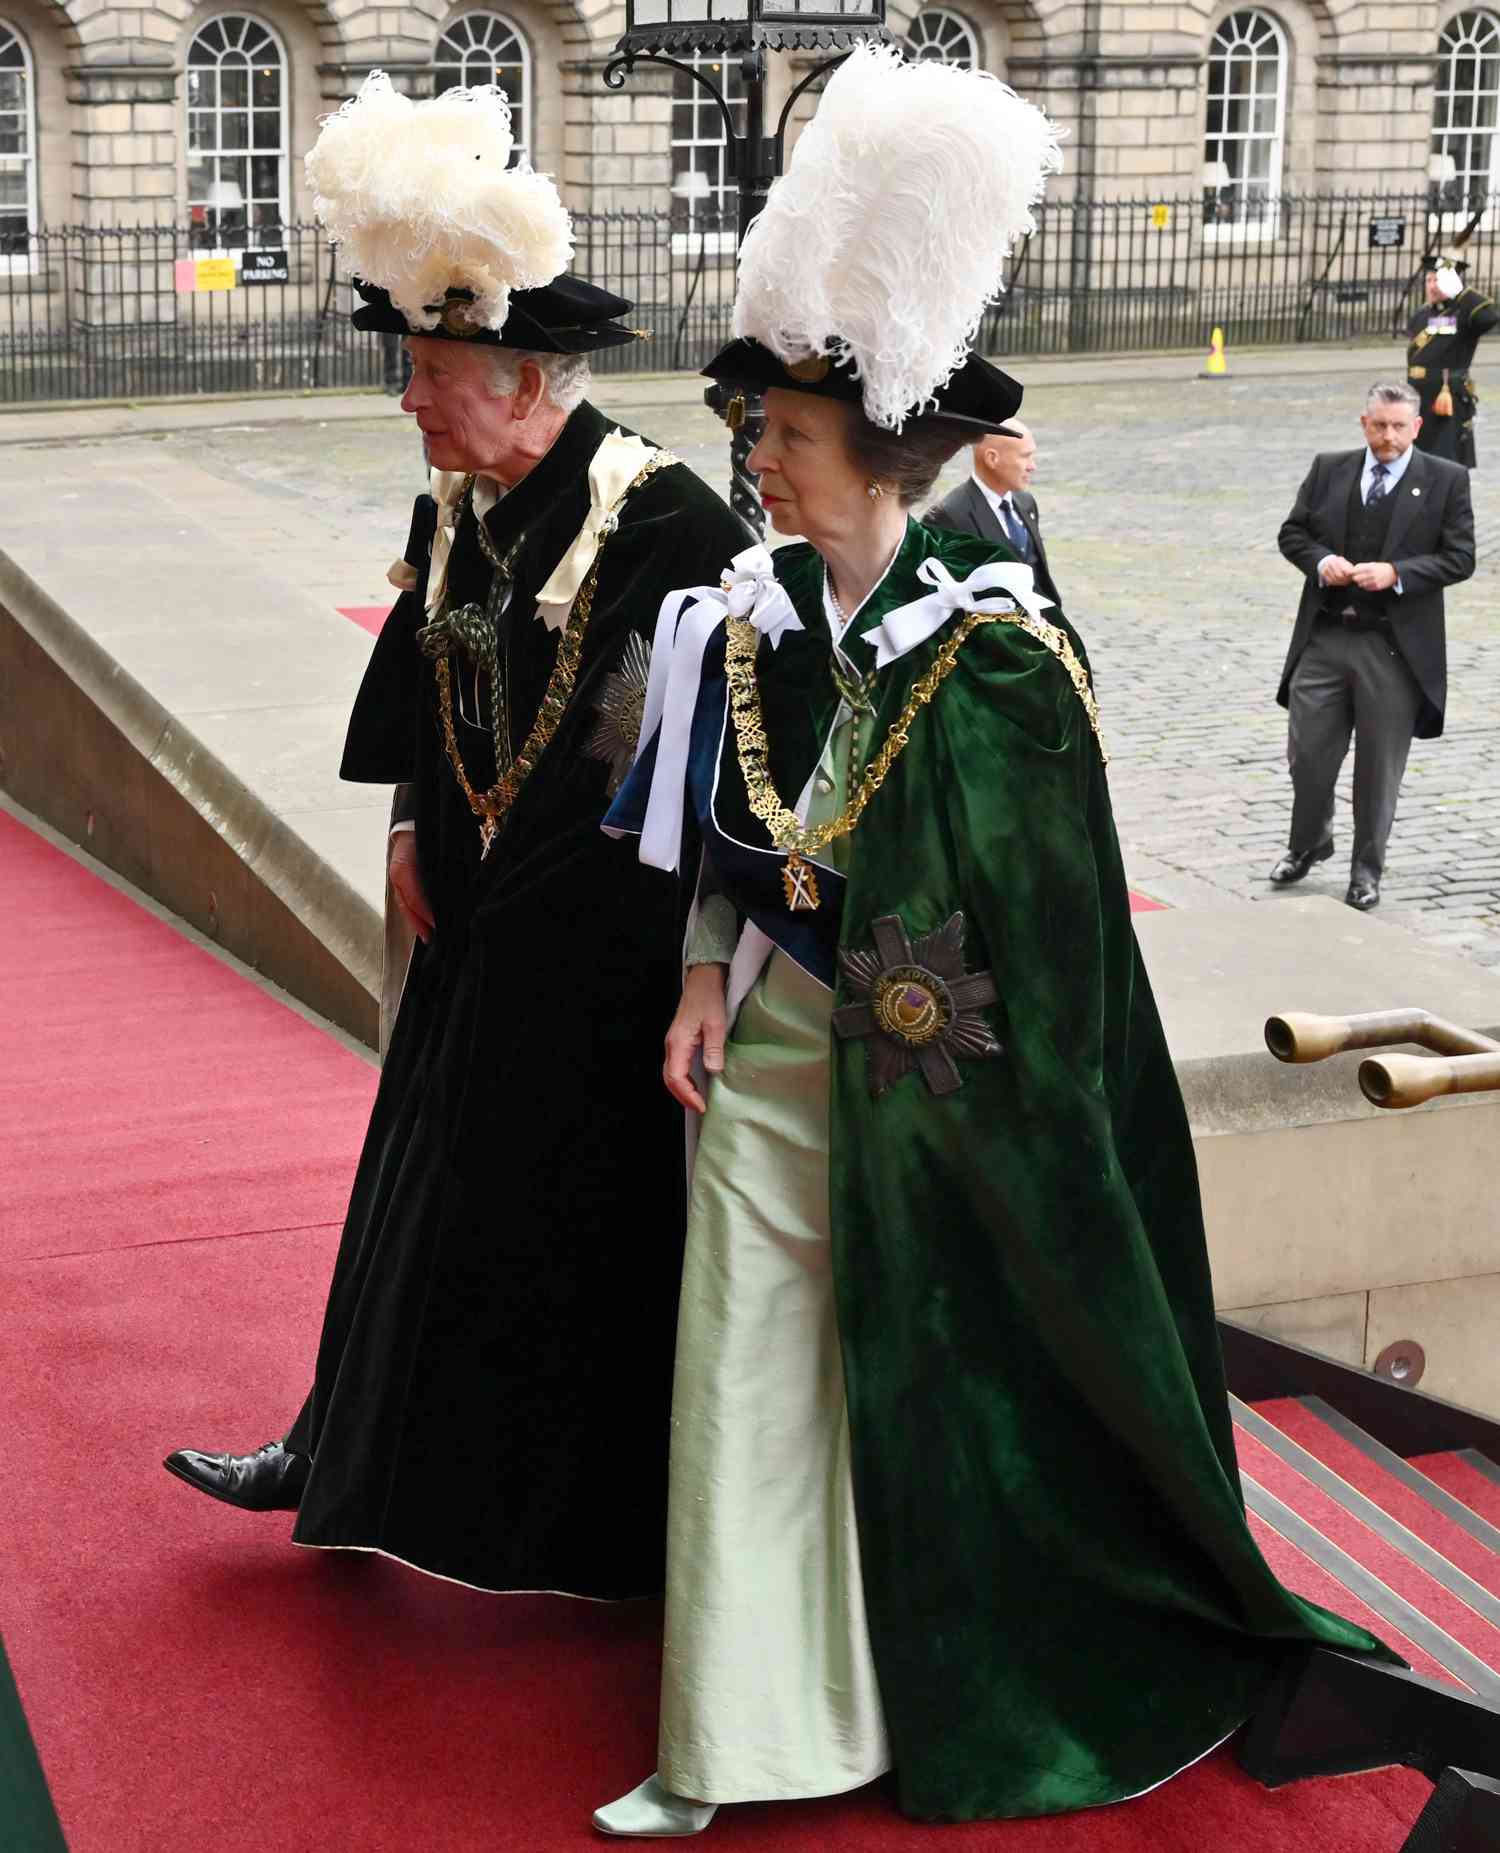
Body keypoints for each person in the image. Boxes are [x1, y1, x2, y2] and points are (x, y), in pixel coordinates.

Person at [591, 45, 1397, 1839]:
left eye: (786, 440)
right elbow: (734, 840)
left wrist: (930, 1077)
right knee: (741, 1375)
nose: (762, 464)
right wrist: (706, 975)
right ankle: (728, 1736)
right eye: (759, 438)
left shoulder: (1003, 656)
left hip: (940, 1098)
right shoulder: (752, 616)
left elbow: (1043, 939)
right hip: (779, 1060)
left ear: (878, 455)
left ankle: (948, 1681)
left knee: (943, 1392)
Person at [162, 73, 748, 1600]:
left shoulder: (674, 522)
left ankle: (578, 1534)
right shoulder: (461, 498)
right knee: (408, 1184)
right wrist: (416, 819)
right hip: (474, 917)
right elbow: (427, 665)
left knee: (546, 1236)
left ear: (522, 377)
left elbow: (694, 758)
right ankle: (336, 1451)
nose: (410, 399)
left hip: (600, 946)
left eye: (430, 371)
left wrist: (576, 926)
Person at [1271, 381, 1474, 912]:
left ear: (1416, 427)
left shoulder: (1445, 480)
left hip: (1393, 649)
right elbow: (1293, 534)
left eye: (1398, 427)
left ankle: (1366, 869)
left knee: (1378, 769)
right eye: (1379, 426)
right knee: (1308, 758)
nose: (1388, 437)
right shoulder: (1328, 469)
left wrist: (1398, 573)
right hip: (1326, 638)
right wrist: (1319, 562)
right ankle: (1309, 842)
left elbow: (1460, 557)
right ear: (1364, 424)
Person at [923, 418, 1061, 607]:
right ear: (992, 458)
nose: (1032, 466)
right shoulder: (950, 516)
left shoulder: (1026, 502)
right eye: (1024, 456)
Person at [1405, 249, 1497, 469]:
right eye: (1429, 280)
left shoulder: (1465, 314)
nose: (1433, 285)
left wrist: (1462, 291)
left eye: (1439, 280)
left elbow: (1490, 317)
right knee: (1418, 458)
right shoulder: (1421, 315)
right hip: (1418, 395)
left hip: (1446, 397)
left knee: (1446, 461)